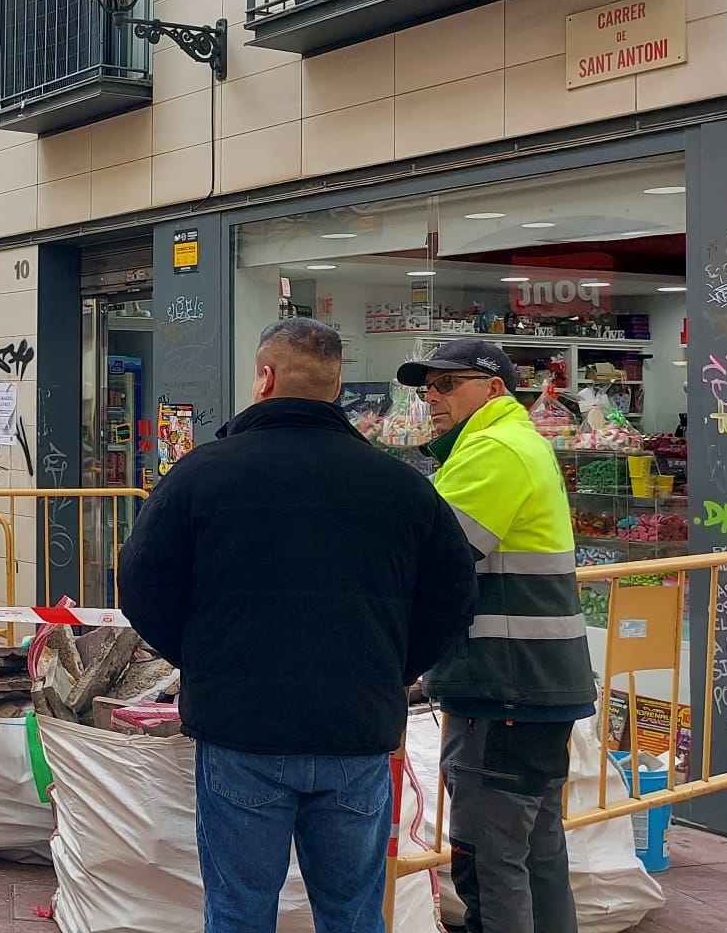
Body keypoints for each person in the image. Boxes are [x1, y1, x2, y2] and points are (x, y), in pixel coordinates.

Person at [119, 318, 478, 933]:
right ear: (336, 388)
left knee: (239, 913)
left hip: (241, 728)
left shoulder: (202, 474)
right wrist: (393, 666)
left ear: (264, 378)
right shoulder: (401, 486)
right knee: (354, 914)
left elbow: (142, 583)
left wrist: (203, 658)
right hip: (356, 729)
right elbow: (453, 594)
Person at [397, 339, 597, 933]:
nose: (432, 398)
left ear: (494, 389)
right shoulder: (518, 442)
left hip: (503, 684)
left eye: (447, 384)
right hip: (534, 684)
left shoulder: (494, 449)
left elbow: (430, 559)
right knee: (536, 856)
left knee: (490, 862)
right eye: (427, 388)